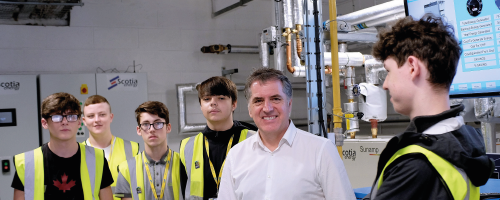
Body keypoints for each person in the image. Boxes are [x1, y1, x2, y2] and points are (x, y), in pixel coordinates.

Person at [363, 16, 494, 199]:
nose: (385, 84)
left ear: (412, 67)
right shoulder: (462, 143)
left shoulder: (415, 164)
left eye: (388, 71)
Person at [218, 68, 356, 200]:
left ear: (289, 104)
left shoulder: (321, 151)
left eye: (276, 99)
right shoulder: (236, 156)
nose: (267, 108)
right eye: (258, 101)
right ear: (250, 109)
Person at [12, 92, 114, 200]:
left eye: (71, 116)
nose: (65, 122)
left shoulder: (97, 159)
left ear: (79, 122)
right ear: (44, 123)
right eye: (57, 116)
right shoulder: (26, 163)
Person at [179, 76, 257, 200]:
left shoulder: (254, 140)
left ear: (234, 104)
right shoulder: (187, 146)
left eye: (221, 98)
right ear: (201, 105)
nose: (213, 103)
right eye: (206, 99)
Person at [114, 101, 182, 200]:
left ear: (168, 127)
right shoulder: (126, 169)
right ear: (138, 130)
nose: (151, 129)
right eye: (145, 124)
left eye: (158, 123)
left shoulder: (184, 163)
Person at [82, 95, 140, 200]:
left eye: (102, 114)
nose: (96, 120)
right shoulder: (78, 152)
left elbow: (139, 189)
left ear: (111, 117)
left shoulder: (132, 149)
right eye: (91, 116)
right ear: (84, 121)